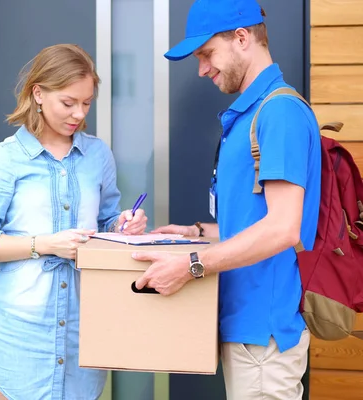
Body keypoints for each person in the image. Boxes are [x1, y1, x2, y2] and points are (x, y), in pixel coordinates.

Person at [133, 1, 321, 399]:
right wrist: (197, 233)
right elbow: (258, 221)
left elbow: (283, 227)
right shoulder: (249, 115)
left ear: (242, 38)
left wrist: (192, 266)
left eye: (206, 54)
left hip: (263, 339)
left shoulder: (279, 112)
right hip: (244, 331)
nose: (201, 68)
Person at [0, 44, 147, 400]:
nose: (79, 113)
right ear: (39, 94)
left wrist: (123, 226)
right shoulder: (6, 159)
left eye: (86, 103)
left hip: (84, 331)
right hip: (20, 336)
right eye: (68, 102)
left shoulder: (97, 155)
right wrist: (44, 244)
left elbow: (106, 223)